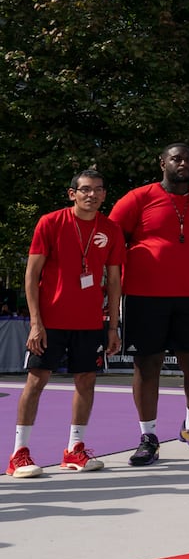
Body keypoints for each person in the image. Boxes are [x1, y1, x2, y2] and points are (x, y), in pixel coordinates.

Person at [109, 143, 189, 465]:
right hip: (145, 296)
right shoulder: (138, 198)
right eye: (176, 158)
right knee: (148, 366)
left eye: (188, 158)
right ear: (162, 162)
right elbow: (113, 239)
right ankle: (148, 436)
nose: (183, 163)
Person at [9, 170, 124, 478]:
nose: (92, 195)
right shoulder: (50, 222)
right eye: (85, 190)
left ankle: (74, 449)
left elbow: (114, 282)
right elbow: (31, 277)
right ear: (72, 194)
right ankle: (19, 453)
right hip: (50, 321)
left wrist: (113, 327)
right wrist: (36, 323)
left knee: (87, 381)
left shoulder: (111, 229)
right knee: (36, 381)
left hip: (89, 322)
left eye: (98, 190)